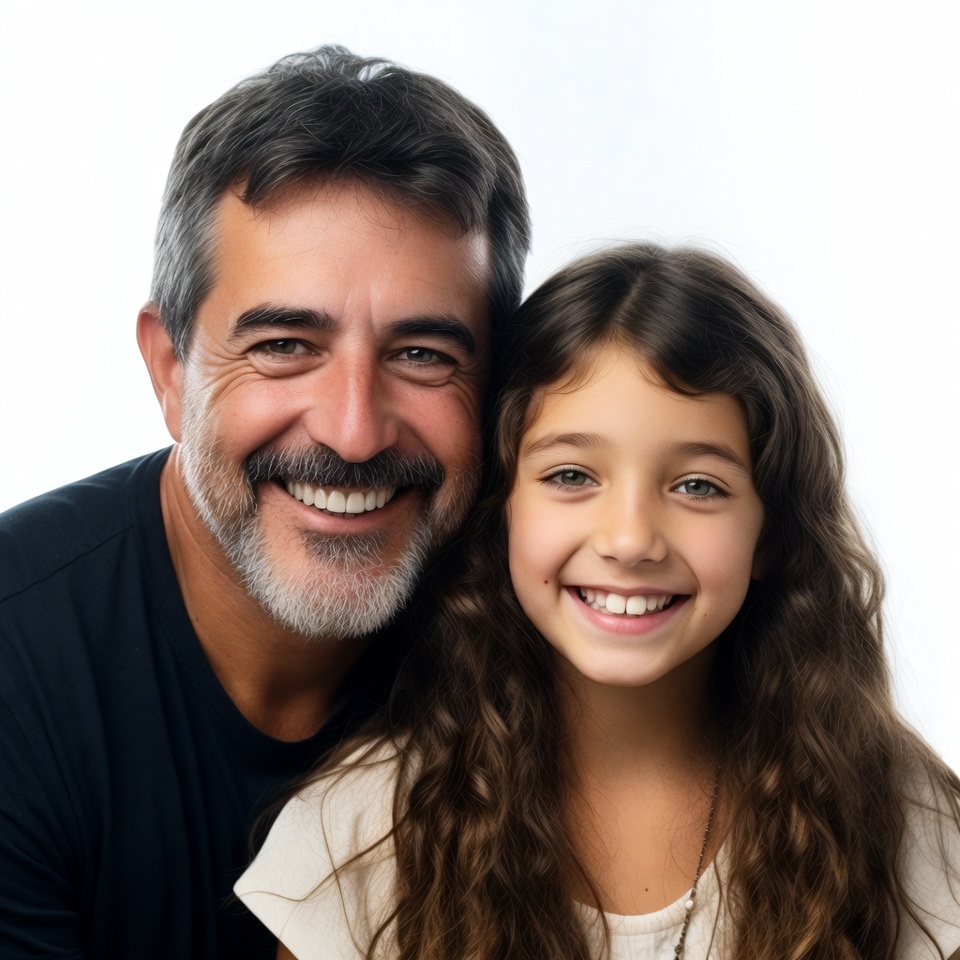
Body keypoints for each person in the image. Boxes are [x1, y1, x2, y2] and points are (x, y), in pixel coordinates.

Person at [236, 243, 960, 959]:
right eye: (572, 476)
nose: (630, 539)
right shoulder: (360, 839)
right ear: (502, 509)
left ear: (770, 532)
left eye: (698, 486)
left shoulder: (904, 824)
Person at [0, 46, 529, 960]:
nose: (354, 434)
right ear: (171, 371)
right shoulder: (17, 663)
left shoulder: (553, 629)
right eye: (285, 345)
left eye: (423, 356)